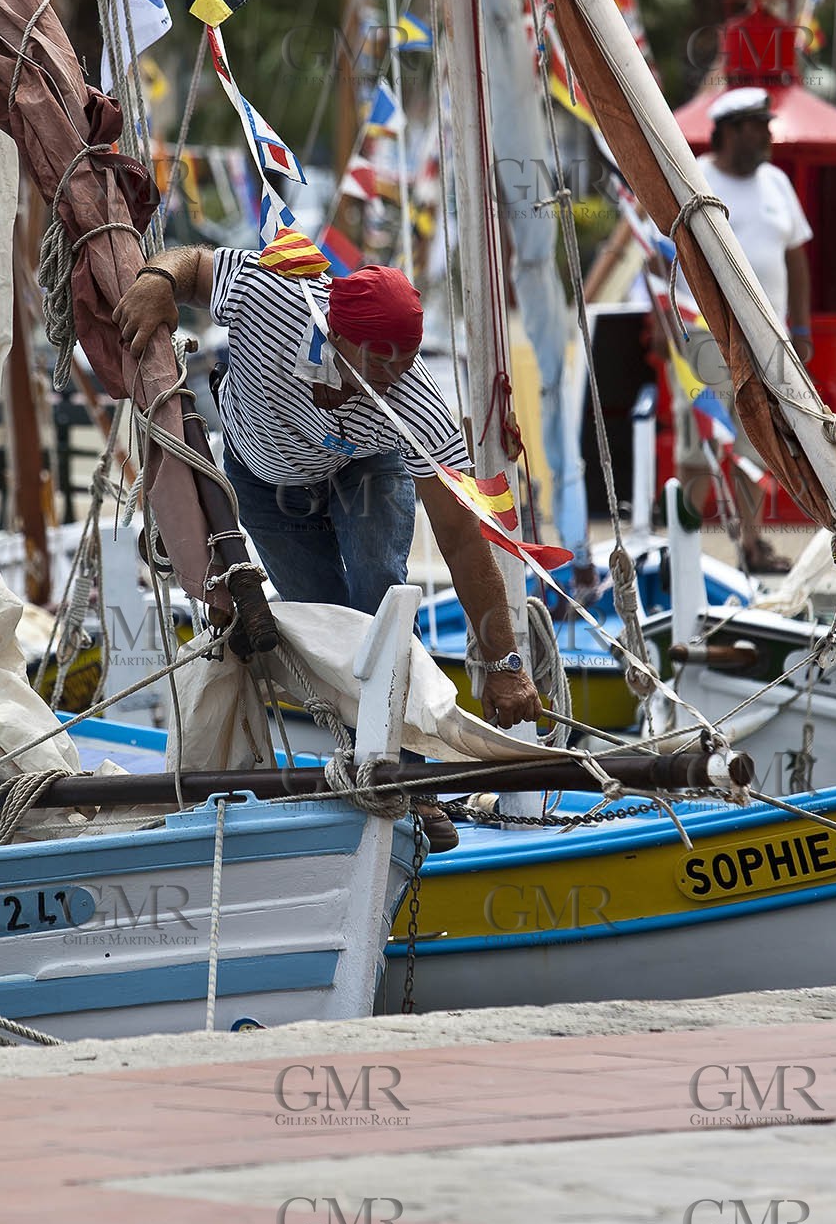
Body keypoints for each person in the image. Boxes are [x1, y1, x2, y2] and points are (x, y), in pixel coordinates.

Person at [114, 245, 541, 851]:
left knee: (378, 600)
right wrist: (159, 280)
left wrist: (503, 665)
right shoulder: (275, 299)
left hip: (363, 469)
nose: (391, 377)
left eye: (406, 362)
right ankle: (363, 763)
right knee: (324, 623)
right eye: (378, 360)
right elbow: (196, 263)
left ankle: (405, 780)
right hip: (262, 475)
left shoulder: (419, 409)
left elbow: (463, 542)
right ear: (336, 332)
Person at [677, 86, 812, 574]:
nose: (768, 135)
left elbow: (797, 258)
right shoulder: (693, 178)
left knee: (757, 444)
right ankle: (685, 548)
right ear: (731, 131)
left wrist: (799, 326)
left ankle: (751, 547)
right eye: (759, 126)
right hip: (703, 335)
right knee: (699, 445)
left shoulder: (776, 182)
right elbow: (661, 259)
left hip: (768, 339)